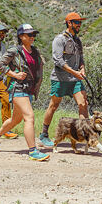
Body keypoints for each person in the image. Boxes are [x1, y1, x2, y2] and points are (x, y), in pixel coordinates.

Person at [0, 23, 49, 161]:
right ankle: (33, 151)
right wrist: (14, 75)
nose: (33, 37)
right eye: (30, 35)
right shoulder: (14, 51)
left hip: (29, 89)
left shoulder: (35, 51)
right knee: (29, 117)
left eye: (34, 35)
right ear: (21, 36)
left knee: (16, 120)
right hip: (17, 87)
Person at [38, 12, 89, 148]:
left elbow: (81, 59)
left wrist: (82, 69)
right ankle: (43, 134)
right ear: (69, 23)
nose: (79, 25)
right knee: (53, 106)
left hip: (75, 79)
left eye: (80, 22)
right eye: (77, 22)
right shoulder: (59, 39)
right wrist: (74, 72)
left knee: (83, 104)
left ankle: (84, 134)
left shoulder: (78, 41)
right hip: (60, 79)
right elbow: (58, 61)